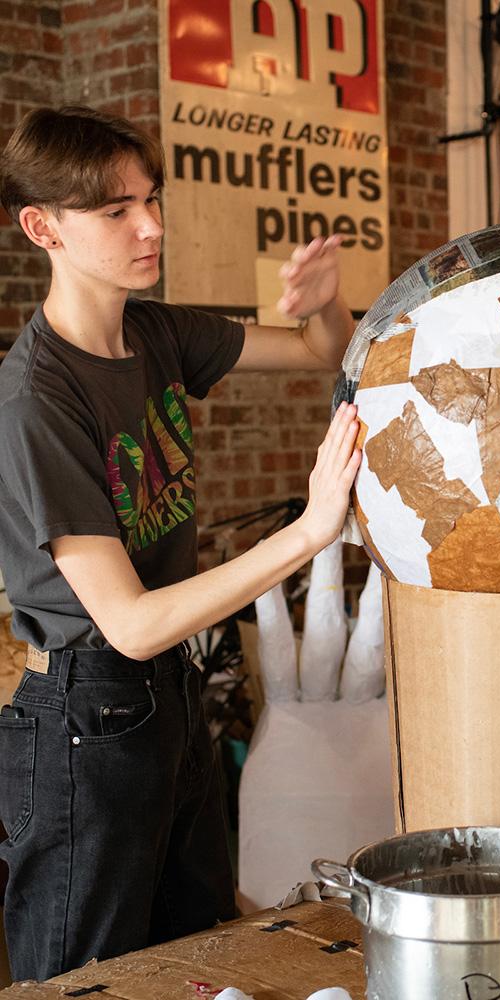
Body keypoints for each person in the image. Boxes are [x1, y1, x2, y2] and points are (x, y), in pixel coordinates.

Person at [0, 106, 361, 981]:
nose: (151, 225)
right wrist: (313, 533)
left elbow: (324, 354)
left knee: (199, 958)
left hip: (170, 694)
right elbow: (127, 623)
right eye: (116, 210)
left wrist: (325, 305)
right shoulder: (36, 399)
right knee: (86, 981)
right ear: (42, 226)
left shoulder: (156, 333)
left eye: (151, 200)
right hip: (86, 718)